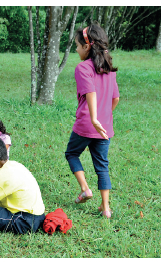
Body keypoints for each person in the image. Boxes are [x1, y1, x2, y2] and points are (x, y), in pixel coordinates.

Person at [65, 23, 120, 218]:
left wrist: (94, 119)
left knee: (71, 153)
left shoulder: (83, 68)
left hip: (87, 123)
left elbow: (90, 93)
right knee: (102, 166)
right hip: (105, 126)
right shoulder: (109, 69)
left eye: (78, 46)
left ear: (88, 46)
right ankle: (106, 208)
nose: (77, 50)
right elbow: (116, 99)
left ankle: (85, 189)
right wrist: (103, 116)